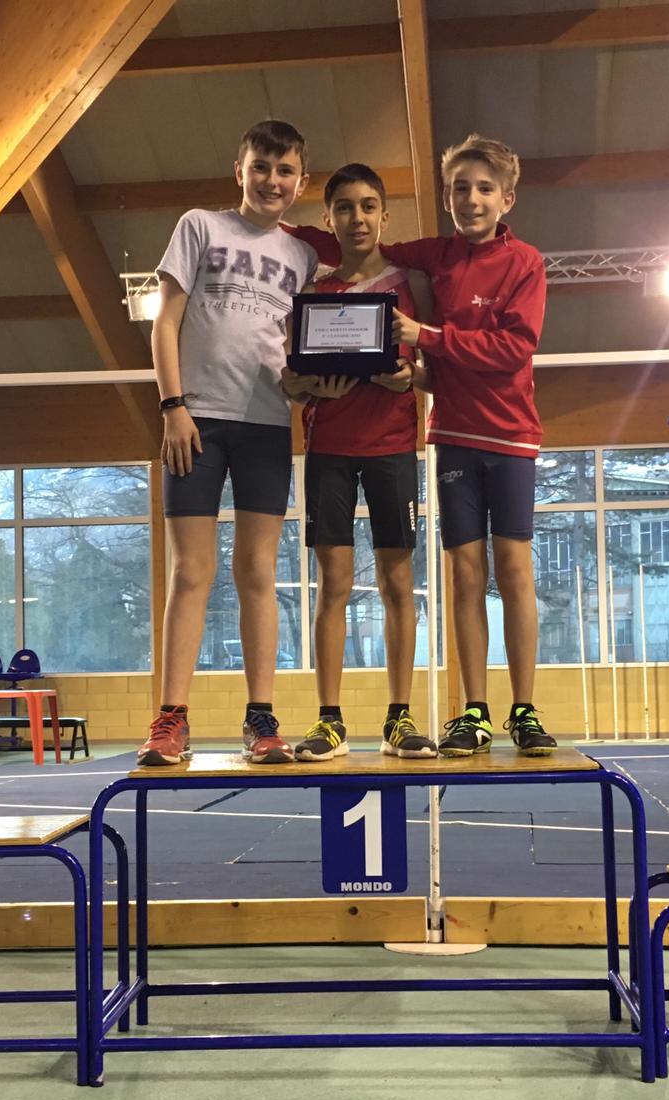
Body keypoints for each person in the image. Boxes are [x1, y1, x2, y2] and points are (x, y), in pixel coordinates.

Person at [290, 134, 555, 757]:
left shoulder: (519, 263)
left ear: (507, 198)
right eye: (461, 188)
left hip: (506, 435)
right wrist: (266, 223)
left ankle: (521, 708)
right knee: (463, 574)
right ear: (446, 196)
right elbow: (352, 244)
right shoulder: (431, 256)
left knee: (512, 569)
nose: (472, 199)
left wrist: (418, 354)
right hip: (445, 437)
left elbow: (511, 349)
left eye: (484, 189)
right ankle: (471, 711)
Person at [137, 120, 320, 767]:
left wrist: (309, 384)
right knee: (191, 571)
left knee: (258, 573)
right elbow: (166, 322)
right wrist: (173, 407)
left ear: (300, 182)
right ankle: (171, 719)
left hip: (267, 425)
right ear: (239, 170)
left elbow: (300, 344)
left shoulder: (302, 256)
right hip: (197, 422)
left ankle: (261, 720)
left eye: (284, 170)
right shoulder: (200, 226)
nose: (272, 180)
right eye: (260, 166)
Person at [280, 163, 438, 761]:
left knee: (399, 583)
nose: (357, 218)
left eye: (368, 206)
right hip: (329, 451)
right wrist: (308, 386)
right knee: (334, 586)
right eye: (344, 207)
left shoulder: (410, 284)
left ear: (384, 216)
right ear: (329, 219)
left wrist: (410, 377)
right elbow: (291, 380)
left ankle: (399, 718)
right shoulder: (313, 294)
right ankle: (329, 721)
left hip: (393, 448)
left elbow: (435, 370)